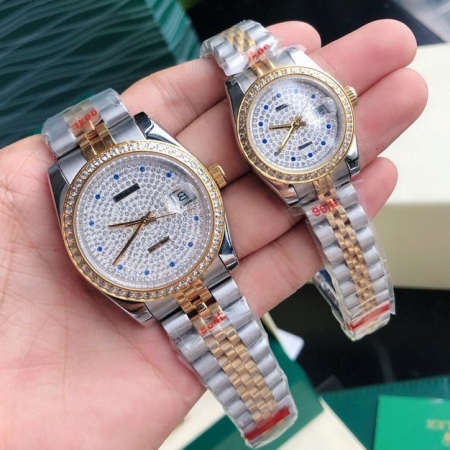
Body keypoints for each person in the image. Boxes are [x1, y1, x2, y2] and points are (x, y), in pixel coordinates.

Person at [0, 20, 427, 449]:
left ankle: (272, 409)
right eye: (128, 222)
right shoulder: (78, 188)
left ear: (210, 178)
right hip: (162, 283)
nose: (144, 221)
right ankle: (267, 411)